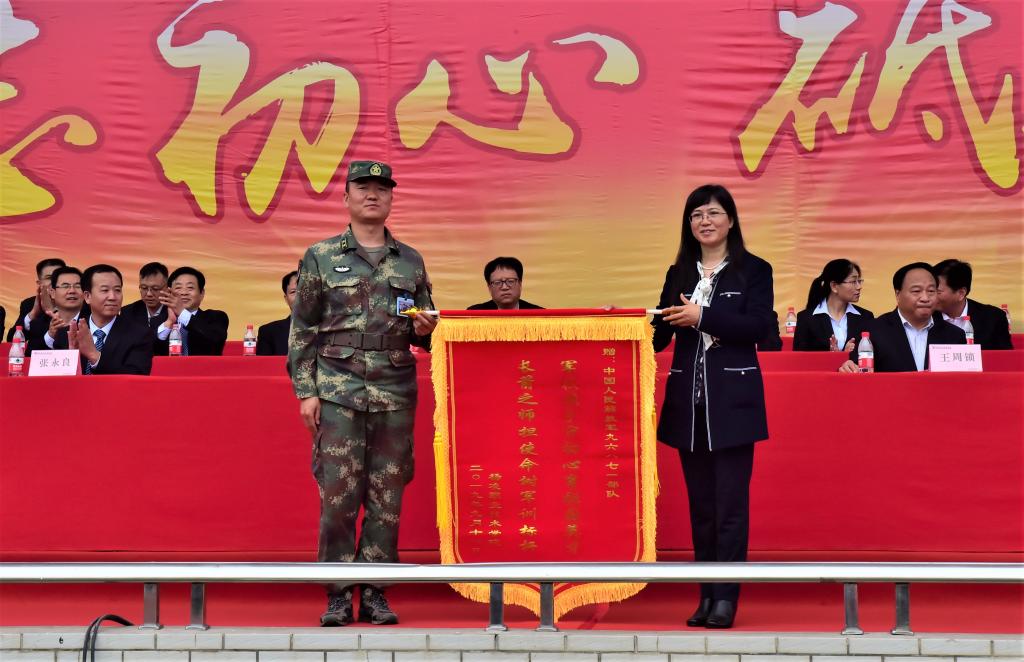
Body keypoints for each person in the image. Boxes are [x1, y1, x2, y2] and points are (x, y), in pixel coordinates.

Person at [288, 160, 436, 627]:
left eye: (382, 189)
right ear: (346, 197)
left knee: (387, 495)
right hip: (338, 388)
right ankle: (337, 591)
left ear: (391, 198)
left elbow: (424, 324)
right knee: (338, 495)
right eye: (363, 188)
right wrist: (306, 391)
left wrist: (427, 328)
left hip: (394, 389)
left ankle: (374, 591)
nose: (373, 195)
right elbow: (303, 327)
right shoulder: (320, 255)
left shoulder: (410, 260)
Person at [652, 184, 773, 629]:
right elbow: (659, 335)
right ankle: (705, 595)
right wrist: (622, 321)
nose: (705, 221)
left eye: (713, 213)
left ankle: (726, 598)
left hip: (733, 406)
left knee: (730, 510)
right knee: (701, 510)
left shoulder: (753, 270)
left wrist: (702, 317)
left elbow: (759, 327)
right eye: (696, 215)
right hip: (690, 407)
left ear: (731, 220)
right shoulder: (680, 273)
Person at [839, 263, 965, 373]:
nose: (925, 298)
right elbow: (857, 371)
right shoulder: (872, 332)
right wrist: (849, 367)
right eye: (916, 291)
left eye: (931, 291)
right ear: (898, 294)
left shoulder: (955, 335)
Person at [67, 264, 153, 375]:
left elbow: (136, 377)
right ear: (87, 296)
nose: (112, 297)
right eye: (105, 290)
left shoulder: (140, 335)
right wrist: (71, 360)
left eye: (117, 290)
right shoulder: (68, 334)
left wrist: (94, 356)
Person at [793, 259, 874, 352]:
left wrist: (847, 355)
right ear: (834, 286)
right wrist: (834, 356)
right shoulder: (806, 319)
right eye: (853, 282)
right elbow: (799, 358)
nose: (859, 287)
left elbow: (871, 355)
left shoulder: (866, 317)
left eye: (859, 281)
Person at [933, 259, 1012, 349]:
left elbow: (1005, 355)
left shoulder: (993, 318)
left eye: (937, 291)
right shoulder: (925, 318)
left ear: (961, 293)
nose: (929, 296)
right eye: (930, 290)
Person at [155, 267, 229, 355]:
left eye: (190, 287)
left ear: (201, 293)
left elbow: (215, 341)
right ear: (169, 293)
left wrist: (182, 313)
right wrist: (169, 323)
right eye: (178, 287)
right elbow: (148, 352)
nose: (184, 293)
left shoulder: (216, 317)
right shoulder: (158, 320)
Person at [27, 266, 88, 353]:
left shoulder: (94, 321)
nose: (72, 291)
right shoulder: (39, 324)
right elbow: (29, 357)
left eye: (78, 286)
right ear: (52, 293)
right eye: (65, 286)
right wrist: (50, 336)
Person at [7, 258, 66, 341]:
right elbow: (12, 340)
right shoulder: (29, 304)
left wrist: (52, 311)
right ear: (39, 283)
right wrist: (32, 314)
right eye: (49, 277)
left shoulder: (77, 303)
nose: (55, 281)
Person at [121, 262, 171, 356]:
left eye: (155, 289)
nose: (149, 294)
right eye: (144, 288)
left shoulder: (174, 312)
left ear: (167, 289)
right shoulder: (127, 312)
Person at [467, 257, 543, 310]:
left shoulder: (540, 315)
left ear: (520, 284)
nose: (504, 287)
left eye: (510, 281)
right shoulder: (474, 314)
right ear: (489, 287)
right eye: (497, 282)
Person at [256, 271, 297, 356]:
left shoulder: (327, 330)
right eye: (293, 292)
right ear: (286, 299)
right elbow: (263, 364)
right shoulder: (269, 332)